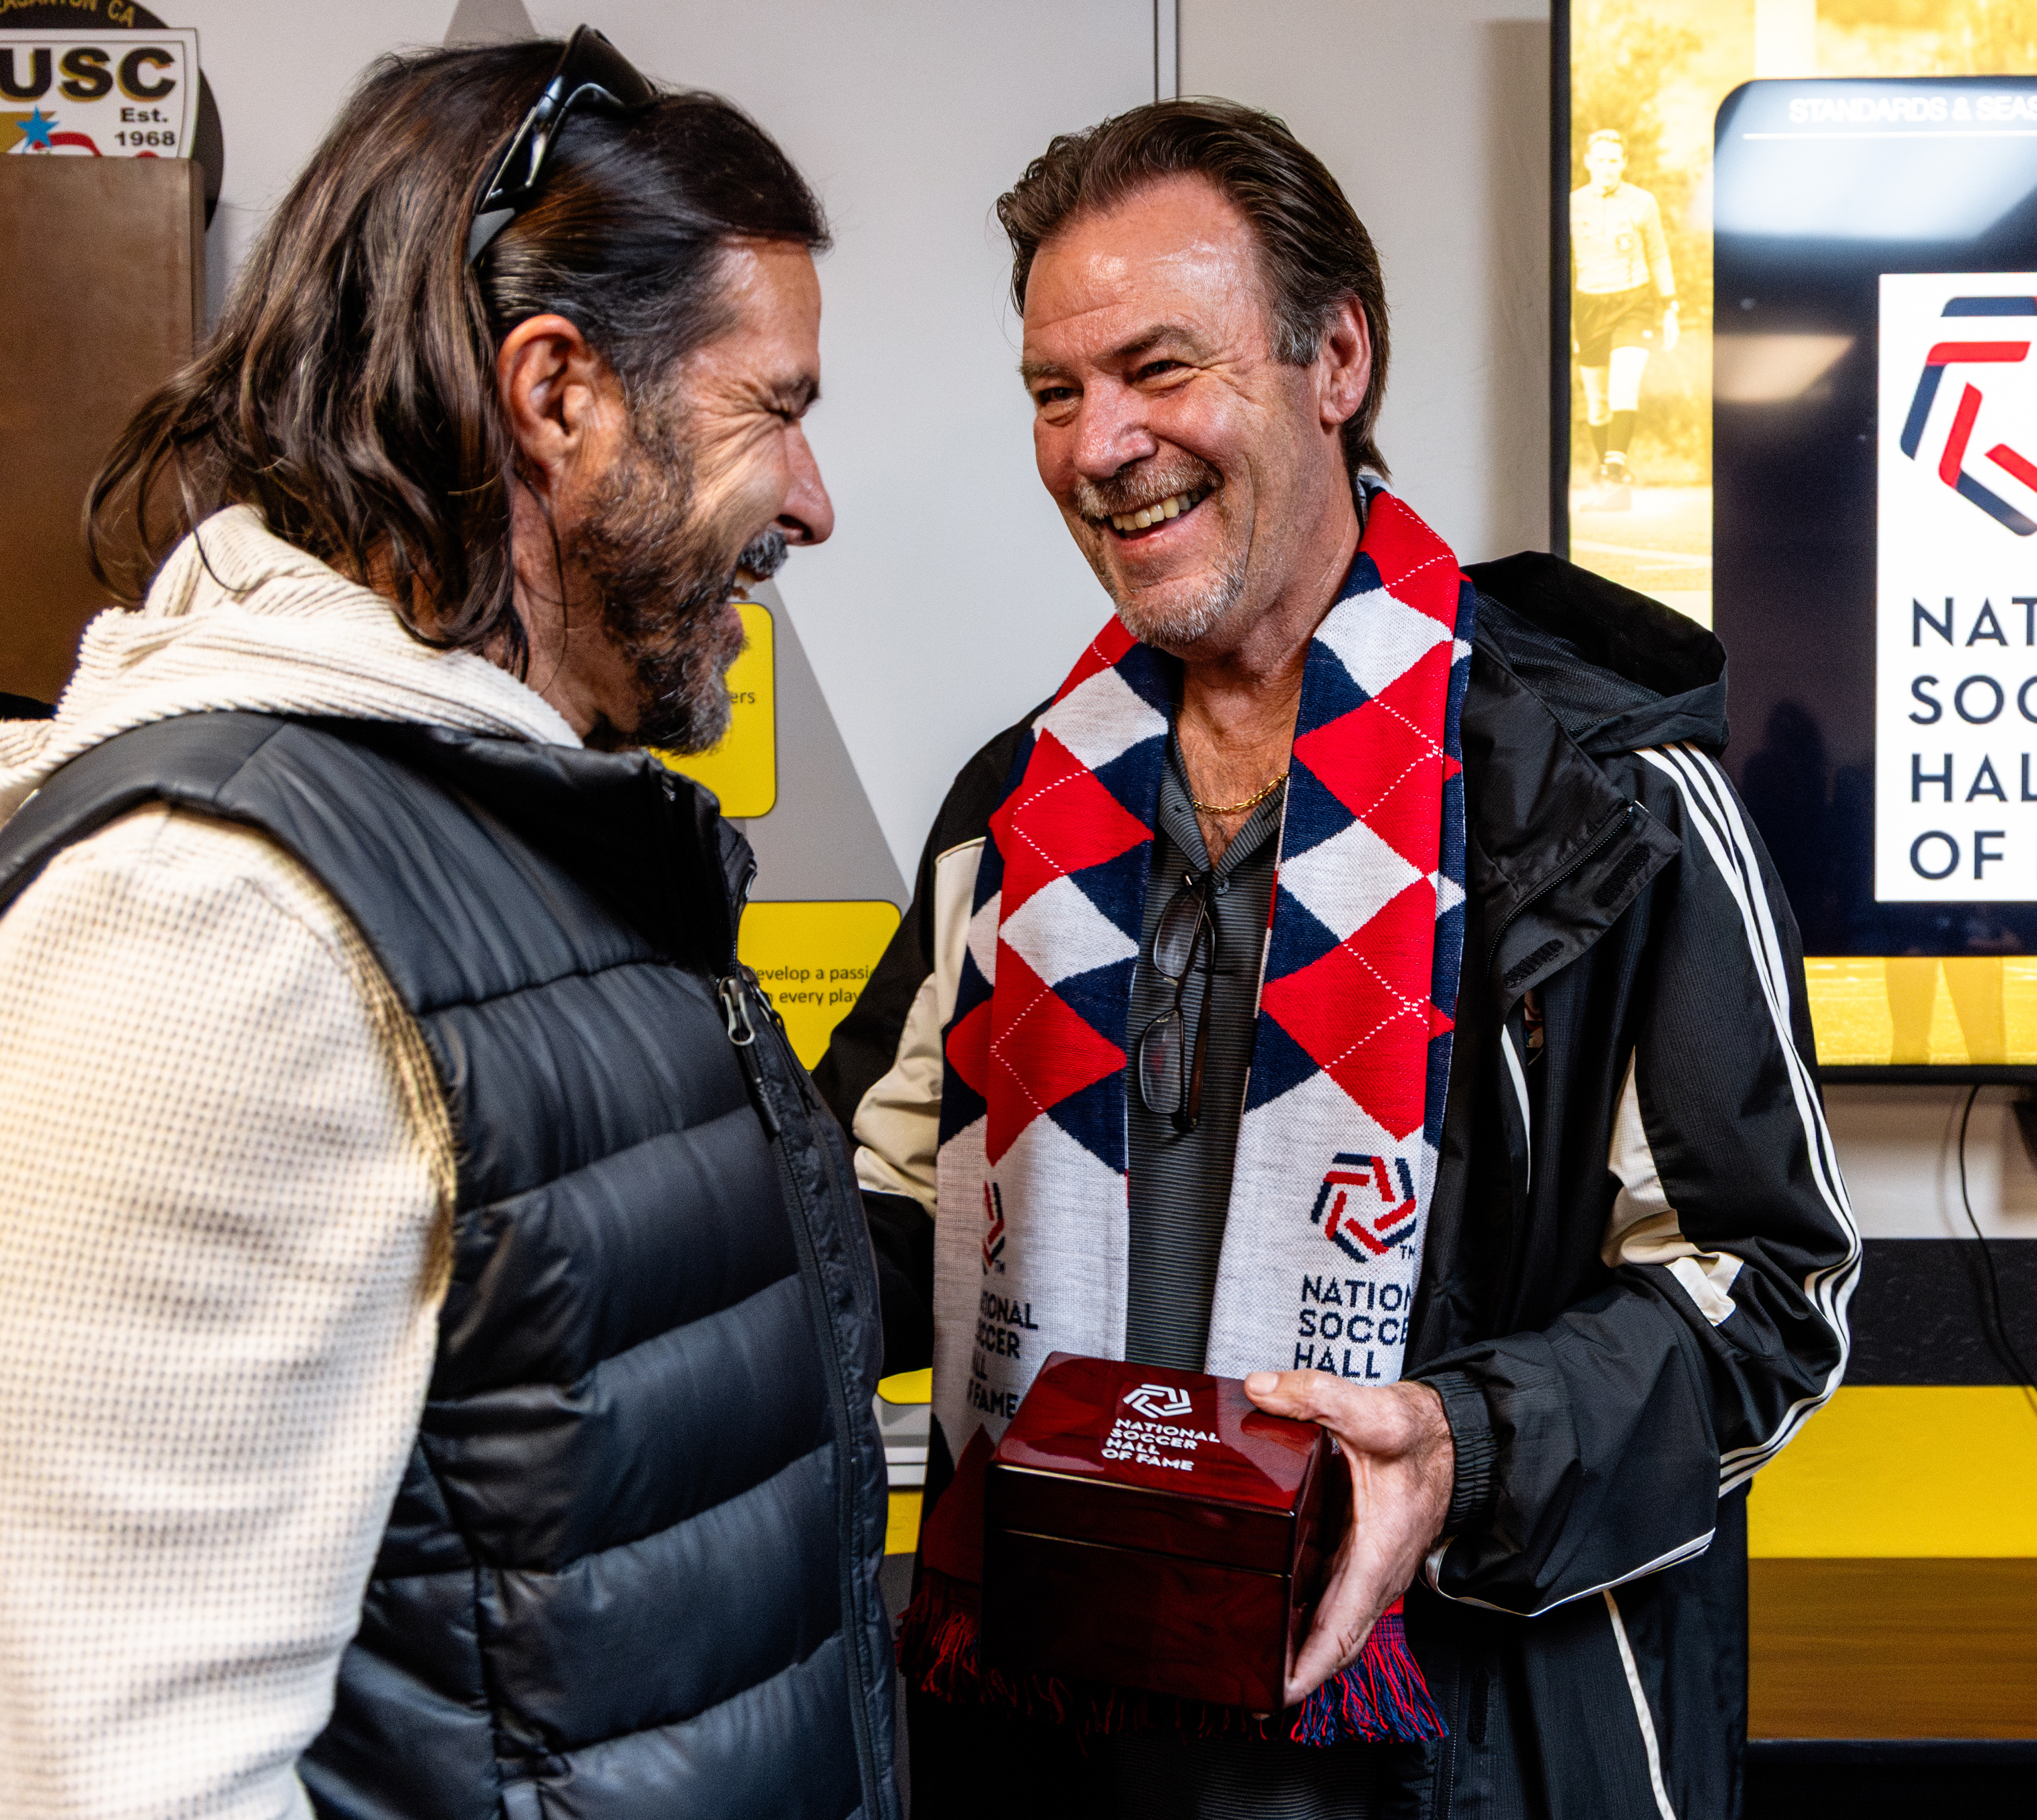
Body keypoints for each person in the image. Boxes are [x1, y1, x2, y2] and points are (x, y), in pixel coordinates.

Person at [819, 100, 1856, 1818]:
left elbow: (1769, 1292)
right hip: (1062, 1736)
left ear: (1336, 361)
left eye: (1157, 367)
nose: (1097, 445)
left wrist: (1464, 1447)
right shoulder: (1010, 811)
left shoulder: (1602, 800)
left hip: (1457, 1748)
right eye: (1053, 392)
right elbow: (873, 1212)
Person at [0, 32, 899, 1820]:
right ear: (557, 392)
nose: (812, 499)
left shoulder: (546, 838)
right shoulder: (213, 917)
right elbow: (112, 1769)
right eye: (773, 407)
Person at [1570, 127, 1678, 510]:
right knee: (1599, 404)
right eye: (1600, 160)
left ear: (1624, 163)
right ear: (1588, 162)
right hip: (1588, 306)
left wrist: (1670, 306)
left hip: (1634, 303)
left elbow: (1659, 255)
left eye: (1614, 160)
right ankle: (1612, 487)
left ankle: (1614, 476)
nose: (1607, 167)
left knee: (1624, 387)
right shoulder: (1571, 205)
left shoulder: (1642, 202)